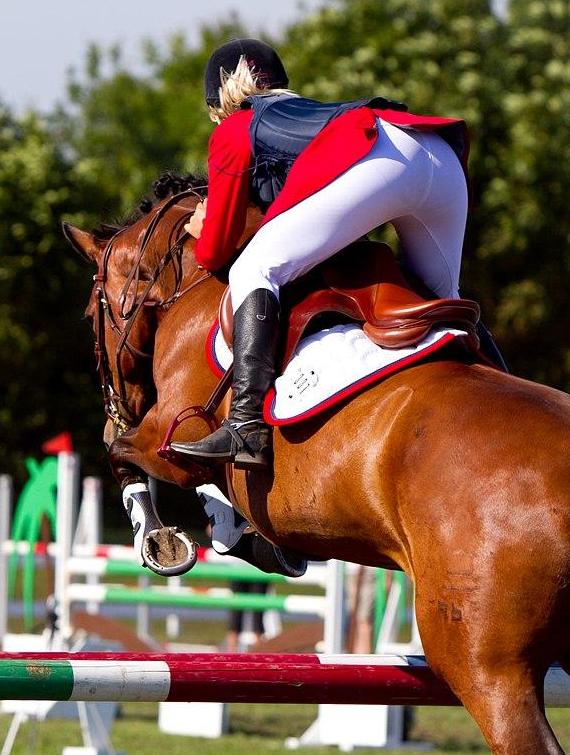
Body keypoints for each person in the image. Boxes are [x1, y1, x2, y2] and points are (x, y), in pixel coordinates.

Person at [171, 38, 505, 471]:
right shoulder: (301, 116)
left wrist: (200, 230)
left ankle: (245, 425)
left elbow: (217, 250)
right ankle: (506, 387)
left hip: (382, 157)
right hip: (435, 153)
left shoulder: (235, 127)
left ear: (221, 101)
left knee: (255, 267)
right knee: (442, 302)